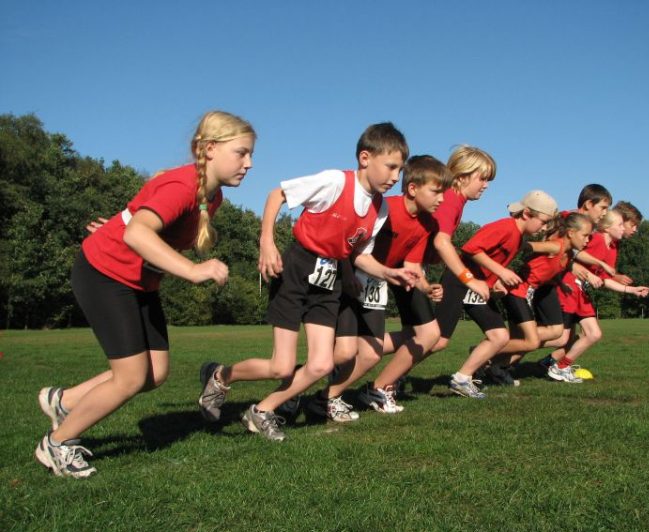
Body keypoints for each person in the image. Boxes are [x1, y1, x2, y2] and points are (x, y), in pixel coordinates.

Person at [36, 111, 256, 478]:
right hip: (105, 275)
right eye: (242, 153)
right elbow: (137, 234)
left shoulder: (211, 197)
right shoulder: (183, 185)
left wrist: (120, 223)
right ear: (211, 149)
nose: (249, 164)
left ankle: (64, 401)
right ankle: (57, 443)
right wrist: (193, 270)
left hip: (138, 282)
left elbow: (140, 222)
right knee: (130, 377)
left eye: (251, 155)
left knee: (154, 374)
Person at [197, 122, 415, 441]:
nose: (396, 177)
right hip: (297, 268)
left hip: (329, 279)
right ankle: (219, 376)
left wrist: (389, 272)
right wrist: (267, 242)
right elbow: (278, 195)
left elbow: (359, 255)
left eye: (400, 170)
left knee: (321, 364)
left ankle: (262, 411)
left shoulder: (379, 209)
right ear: (365, 158)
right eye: (391, 167)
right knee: (281, 367)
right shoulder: (334, 182)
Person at [301, 155, 451, 419]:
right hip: (351, 274)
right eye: (436, 192)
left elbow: (412, 264)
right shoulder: (385, 208)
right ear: (413, 188)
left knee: (372, 353)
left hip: (379, 281)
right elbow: (350, 242)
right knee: (345, 352)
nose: (441, 199)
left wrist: (426, 287)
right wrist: (348, 274)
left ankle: (333, 395)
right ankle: (299, 385)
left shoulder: (430, 223)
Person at [367, 145, 497, 408]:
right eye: (482, 178)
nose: (485, 185)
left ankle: (372, 372)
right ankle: (377, 382)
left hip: (410, 268)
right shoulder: (450, 199)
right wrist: (468, 278)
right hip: (397, 268)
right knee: (429, 336)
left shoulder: (452, 201)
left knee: (422, 336)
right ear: (462, 176)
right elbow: (441, 242)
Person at [431, 190, 559, 398]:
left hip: (478, 288)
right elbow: (471, 248)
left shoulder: (518, 238)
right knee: (437, 341)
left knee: (499, 336)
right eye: (543, 222)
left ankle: (462, 378)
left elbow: (489, 262)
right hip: (458, 281)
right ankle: (394, 379)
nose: (544, 228)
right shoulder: (506, 228)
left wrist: (495, 283)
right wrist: (501, 271)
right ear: (526, 213)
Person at [485, 212, 599, 384]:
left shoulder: (567, 254)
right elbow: (525, 246)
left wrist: (560, 283)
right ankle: (486, 349)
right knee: (531, 340)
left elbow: (546, 270)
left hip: (524, 295)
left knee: (531, 340)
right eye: (585, 236)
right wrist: (500, 270)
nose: (587, 240)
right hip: (516, 292)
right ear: (570, 233)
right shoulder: (555, 246)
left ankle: (493, 367)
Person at [545, 208, 649, 381]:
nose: (624, 228)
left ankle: (560, 366)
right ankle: (522, 344)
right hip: (570, 288)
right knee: (560, 338)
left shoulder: (613, 248)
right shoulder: (596, 239)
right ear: (607, 228)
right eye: (620, 225)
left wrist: (632, 290)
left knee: (593, 334)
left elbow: (605, 280)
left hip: (581, 293)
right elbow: (574, 253)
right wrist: (590, 272)